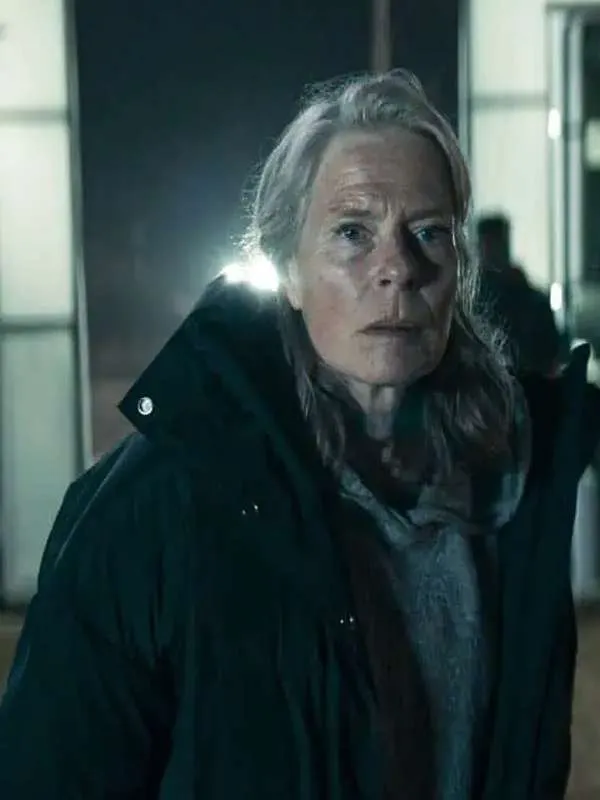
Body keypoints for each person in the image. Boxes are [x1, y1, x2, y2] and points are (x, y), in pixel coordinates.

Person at [0, 70, 598, 800]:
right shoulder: (157, 506)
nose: (397, 269)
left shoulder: (511, 492)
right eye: (352, 233)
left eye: (429, 233)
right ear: (287, 269)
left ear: (460, 268)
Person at [477, 214, 563, 376]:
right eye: (489, 244)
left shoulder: (533, 302)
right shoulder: (469, 301)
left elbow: (551, 357)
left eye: (496, 244)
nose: (492, 251)